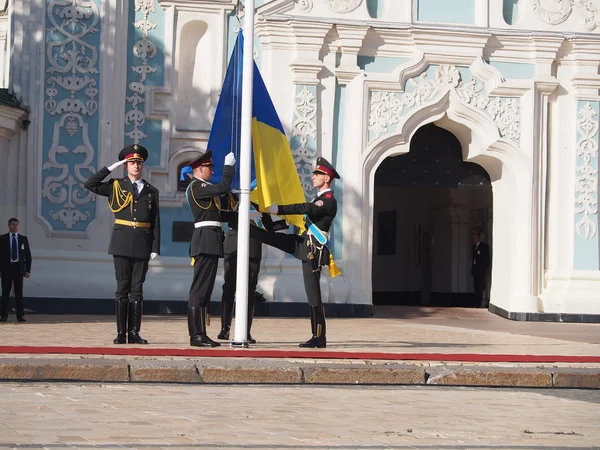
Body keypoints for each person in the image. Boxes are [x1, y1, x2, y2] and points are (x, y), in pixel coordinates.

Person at [248, 157, 339, 348]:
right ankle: (245, 227)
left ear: (327, 178)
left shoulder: (328, 201)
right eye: (314, 173)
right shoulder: (320, 198)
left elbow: (304, 208)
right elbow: (304, 218)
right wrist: (270, 217)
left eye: (318, 174)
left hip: (313, 250)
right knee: (267, 236)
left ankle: (319, 336)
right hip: (304, 244)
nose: (313, 177)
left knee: (313, 294)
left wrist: (278, 209)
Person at [84, 144, 160, 344]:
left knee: (137, 289)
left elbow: (156, 222)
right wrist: (110, 168)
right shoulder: (116, 185)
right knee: (122, 288)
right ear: (126, 165)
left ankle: (134, 332)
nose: (136, 166)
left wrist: (155, 247)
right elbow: (90, 184)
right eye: (132, 162)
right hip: (122, 242)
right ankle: (121, 333)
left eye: (138, 163)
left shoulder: (151, 191)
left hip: (143, 243)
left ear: (142, 166)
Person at [184, 150, 236, 347]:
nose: (211, 171)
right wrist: (228, 167)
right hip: (205, 241)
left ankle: (201, 333)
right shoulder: (197, 187)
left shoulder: (202, 188)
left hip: (210, 241)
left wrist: (243, 217)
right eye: (209, 167)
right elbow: (223, 187)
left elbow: (216, 215)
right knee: (199, 289)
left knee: (205, 290)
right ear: (200, 169)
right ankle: (196, 335)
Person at [218, 194, 287, 343]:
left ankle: (246, 331)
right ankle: (225, 328)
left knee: (249, 290)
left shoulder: (260, 204)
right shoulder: (231, 198)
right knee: (229, 287)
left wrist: (285, 223)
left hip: (253, 248)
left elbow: (268, 228)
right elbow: (222, 215)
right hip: (233, 246)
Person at [0, 218, 32, 322]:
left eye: (17, 224)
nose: (15, 226)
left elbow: (28, 256)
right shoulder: (2, 239)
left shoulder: (23, 239)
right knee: (5, 292)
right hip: (6, 269)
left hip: (18, 269)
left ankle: (20, 315)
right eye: (13, 224)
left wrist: (27, 270)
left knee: (19, 293)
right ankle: (3, 315)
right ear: (9, 225)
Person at [471, 228, 490, 308]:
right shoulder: (474, 247)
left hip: (482, 270)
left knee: (483, 287)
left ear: (478, 238)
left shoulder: (484, 247)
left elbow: (486, 259)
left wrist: (484, 269)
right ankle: (478, 303)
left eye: (475, 237)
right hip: (475, 271)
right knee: (477, 287)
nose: (474, 239)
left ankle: (483, 303)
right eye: (473, 237)